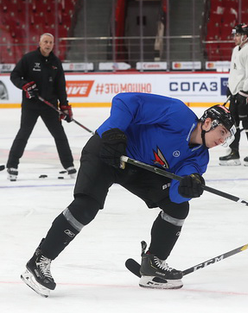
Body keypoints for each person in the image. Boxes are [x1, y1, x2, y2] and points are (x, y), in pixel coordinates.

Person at [20, 92, 236, 297]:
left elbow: (176, 192)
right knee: (87, 206)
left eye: (226, 137)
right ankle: (40, 260)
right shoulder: (177, 113)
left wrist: (187, 188)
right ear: (208, 123)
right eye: (222, 133)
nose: (222, 140)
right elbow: (125, 101)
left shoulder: (200, 159)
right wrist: (115, 132)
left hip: (138, 168)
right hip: (109, 150)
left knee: (178, 207)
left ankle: (153, 264)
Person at [7, 33, 75, 181]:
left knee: (59, 135)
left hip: (49, 106)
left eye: (51, 42)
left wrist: (64, 105)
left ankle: (69, 165)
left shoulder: (56, 62)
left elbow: (60, 86)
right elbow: (15, 76)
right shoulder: (29, 59)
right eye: (45, 41)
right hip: (31, 105)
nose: (48, 44)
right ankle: (12, 165)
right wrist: (24, 86)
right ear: (39, 42)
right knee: (24, 134)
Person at [219, 23, 248, 166]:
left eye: (237, 35)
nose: (234, 38)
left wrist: (244, 92)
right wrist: (231, 88)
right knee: (233, 124)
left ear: (244, 36)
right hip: (236, 93)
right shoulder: (236, 50)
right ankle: (233, 152)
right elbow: (236, 73)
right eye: (234, 35)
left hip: (246, 93)